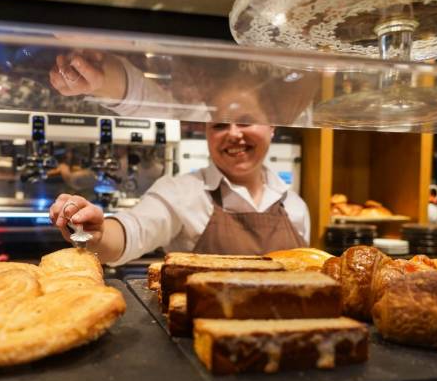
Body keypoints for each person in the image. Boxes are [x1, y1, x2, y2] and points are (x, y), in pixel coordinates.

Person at [48, 51, 315, 266]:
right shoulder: (181, 193)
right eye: (219, 126)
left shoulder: (295, 207)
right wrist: (99, 234)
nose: (233, 134)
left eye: (246, 122)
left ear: (272, 127)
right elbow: (132, 230)